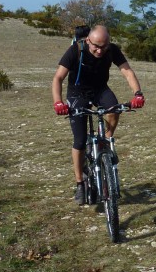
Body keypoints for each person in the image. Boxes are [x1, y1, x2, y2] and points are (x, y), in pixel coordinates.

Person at [52, 24, 145, 204]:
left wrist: (138, 94)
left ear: (109, 43)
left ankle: (105, 143)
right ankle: (80, 183)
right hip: (77, 93)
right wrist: (58, 102)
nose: (100, 50)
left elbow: (127, 71)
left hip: (100, 89)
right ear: (88, 40)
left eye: (104, 46)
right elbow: (58, 78)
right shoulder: (75, 50)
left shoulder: (112, 50)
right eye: (95, 46)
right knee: (79, 141)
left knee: (114, 108)